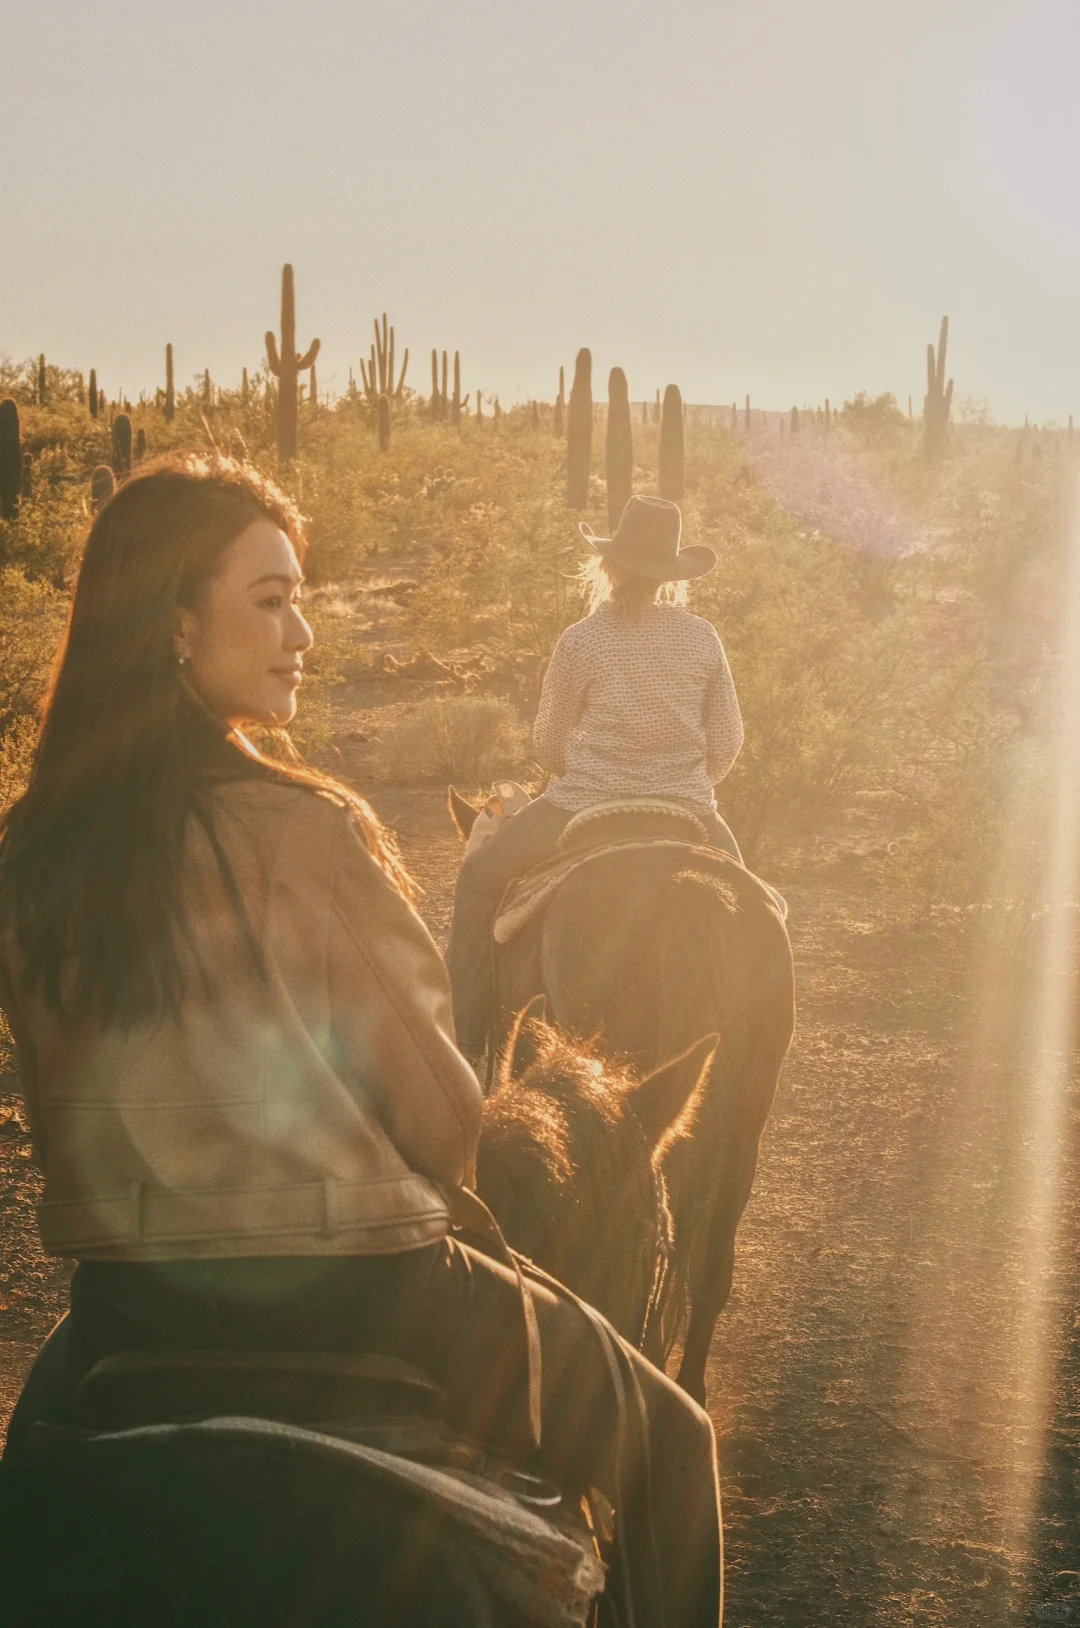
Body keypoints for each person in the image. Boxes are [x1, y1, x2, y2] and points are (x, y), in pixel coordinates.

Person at [0, 457, 721, 1625]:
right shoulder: (313, 828)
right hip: (371, 1294)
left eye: (303, 595)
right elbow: (443, 1119)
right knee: (676, 1450)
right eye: (272, 600)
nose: (307, 631)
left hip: (126, 1309)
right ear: (178, 625)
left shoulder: (27, 858)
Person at [447, 493, 744, 1062]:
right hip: (688, 807)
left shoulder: (580, 641)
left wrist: (585, 773)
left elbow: (549, 744)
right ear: (670, 576)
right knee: (760, 914)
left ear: (609, 566)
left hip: (583, 804)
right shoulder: (702, 637)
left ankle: (469, 1049)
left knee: (479, 883)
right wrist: (689, 784)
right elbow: (727, 738)